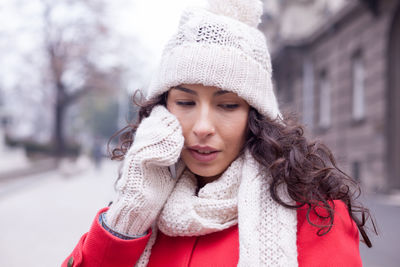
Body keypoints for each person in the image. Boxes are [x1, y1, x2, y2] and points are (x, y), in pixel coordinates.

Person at [63, 0, 375, 266]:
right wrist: (130, 215)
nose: (202, 127)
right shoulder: (138, 209)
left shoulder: (313, 215)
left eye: (227, 105)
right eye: (185, 102)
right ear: (161, 110)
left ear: (256, 116)